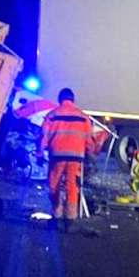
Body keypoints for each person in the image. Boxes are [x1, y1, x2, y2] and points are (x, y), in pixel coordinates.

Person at [38, 88, 96, 231]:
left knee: (54, 185)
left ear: (60, 99)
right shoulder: (83, 117)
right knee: (72, 186)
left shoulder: (52, 115)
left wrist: (40, 151)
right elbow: (89, 138)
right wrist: (90, 153)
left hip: (57, 155)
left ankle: (57, 215)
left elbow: (43, 136)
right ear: (73, 99)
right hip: (76, 156)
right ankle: (70, 219)